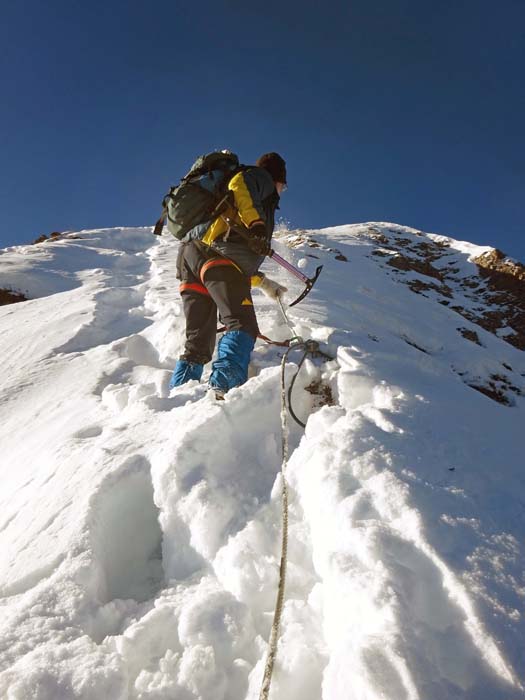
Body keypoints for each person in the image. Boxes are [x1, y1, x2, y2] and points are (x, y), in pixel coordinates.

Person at [170, 152, 288, 396]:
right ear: (277, 179)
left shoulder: (222, 209)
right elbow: (240, 185)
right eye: (283, 186)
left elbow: (231, 268)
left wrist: (263, 282)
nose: (282, 191)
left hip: (191, 259)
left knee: (198, 343)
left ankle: (178, 399)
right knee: (242, 325)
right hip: (215, 256)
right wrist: (256, 226)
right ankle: (223, 392)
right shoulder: (259, 177)